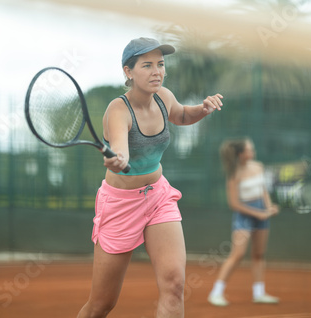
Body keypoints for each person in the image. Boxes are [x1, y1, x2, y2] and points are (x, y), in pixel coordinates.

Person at [77, 37, 223, 318]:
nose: (157, 71)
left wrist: (202, 109)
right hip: (121, 205)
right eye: (147, 65)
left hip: (158, 197)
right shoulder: (117, 110)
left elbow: (180, 115)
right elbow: (121, 152)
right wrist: (118, 161)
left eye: (161, 64)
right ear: (128, 71)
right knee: (102, 304)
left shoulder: (164, 96)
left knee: (174, 284)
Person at [208, 137, 279, 307]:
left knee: (259, 254)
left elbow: (263, 190)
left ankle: (259, 293)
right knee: (237, 254)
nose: (253, 152)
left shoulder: (259, 166)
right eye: (249, 150)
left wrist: (269, 207)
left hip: (262, 213)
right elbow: (234, 204)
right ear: (241, 154)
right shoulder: (234, 174)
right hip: (244, 216)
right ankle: (216, 293)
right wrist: (258, 213)